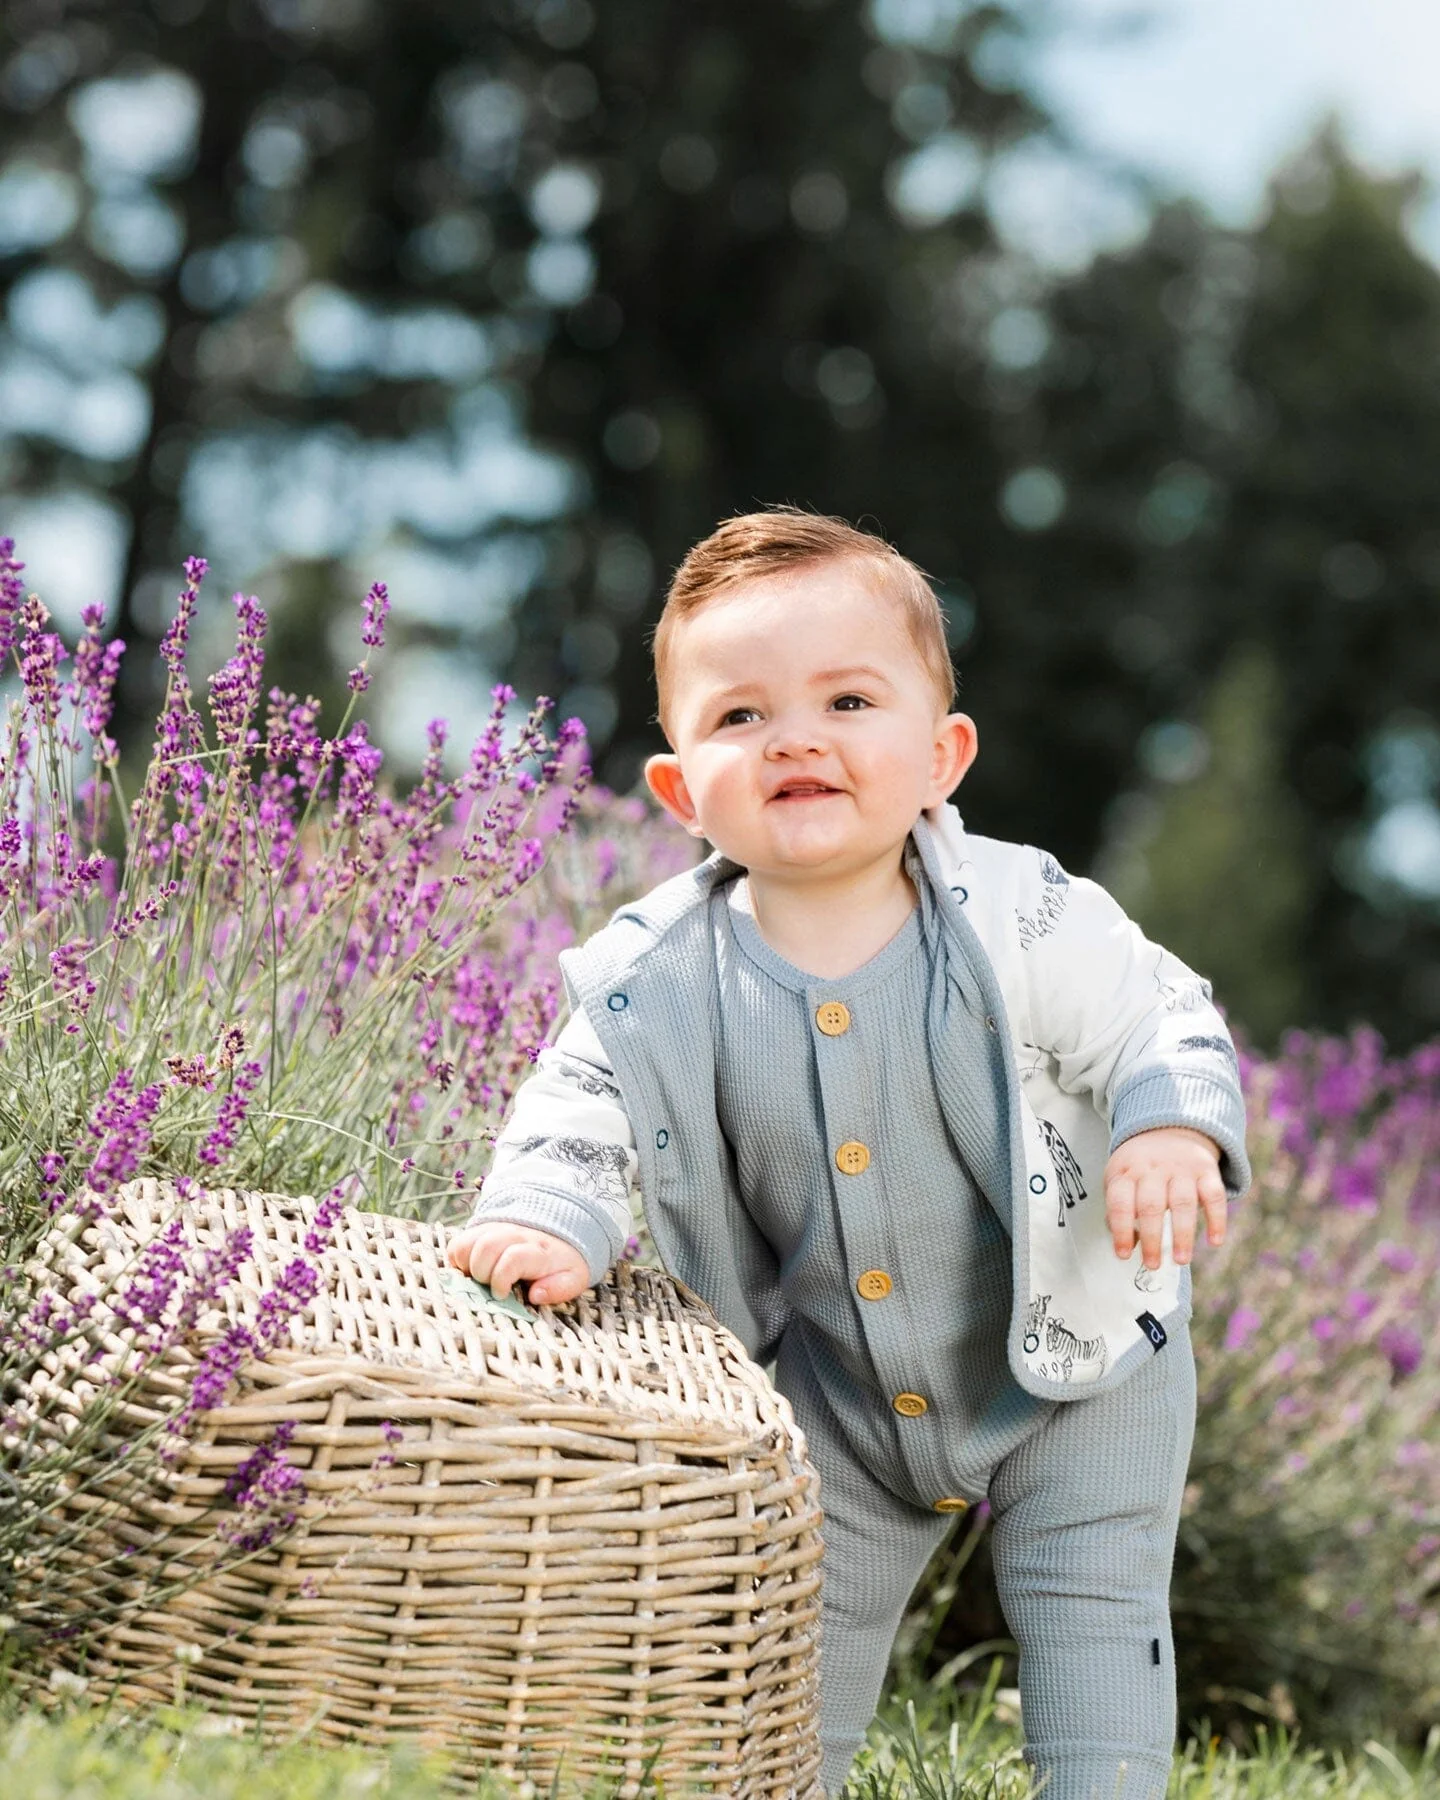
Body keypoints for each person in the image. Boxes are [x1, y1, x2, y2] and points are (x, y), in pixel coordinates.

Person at [447, 509, 1250, 1799]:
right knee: (786, 1635)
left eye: (849, 701)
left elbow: (1154, 1009)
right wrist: (549, 1212)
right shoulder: (660, 977)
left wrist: (1168, 1124)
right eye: (741, 716)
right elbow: (581, 1098)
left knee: (1095, 1606)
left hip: (1085, 1350)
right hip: (839, 1388)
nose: (797, 739)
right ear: (679, 791)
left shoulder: (1019, 910)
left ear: (941, 757)